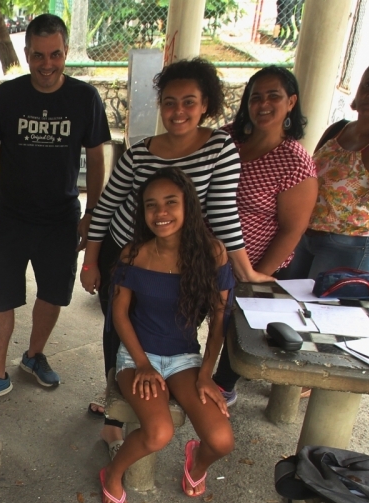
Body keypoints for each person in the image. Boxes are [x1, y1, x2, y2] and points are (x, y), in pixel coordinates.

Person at [81, 57, 268, 447]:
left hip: (186, 257)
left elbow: (222, 214)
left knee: (174, 326)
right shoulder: (139, 152)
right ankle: (116, 404)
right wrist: (92, 260)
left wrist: (244, 271)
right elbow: (107, 206)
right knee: (118, 329)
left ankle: (168, 381)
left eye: (188, 102)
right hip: (127, 251)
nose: (178, 111)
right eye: (169, 102)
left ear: (206, 106)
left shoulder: (220, 147)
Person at [0, 14, 111, 404]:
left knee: (53, 293)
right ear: (27, 53)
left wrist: (92, 213)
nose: (47, 64)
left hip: (62, 216)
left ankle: (34, 355)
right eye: (39, 55)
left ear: (66, 51)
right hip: (11, 214)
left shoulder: (84, 97)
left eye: (55, 55)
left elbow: (97, 156)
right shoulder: (8, 95)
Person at [99, 168, 235, 503]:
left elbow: (220, 317)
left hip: (184, 360)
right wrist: (142, 363)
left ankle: (196, 462)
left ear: (188, 206)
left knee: (221, 440)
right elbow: (120, 314)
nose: (160, 213)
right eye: (151, 205)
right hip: (136, 357)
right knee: (158, 432)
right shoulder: (134, 254)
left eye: (170, 203)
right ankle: (112, 473)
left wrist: (207, 373)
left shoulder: (213, 253)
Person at [211, 67, 317, 405]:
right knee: (191, 317)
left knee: (238, 331)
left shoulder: (294, 161)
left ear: (291, 103)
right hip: (206, 256)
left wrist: (259, 277)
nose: (263, 104)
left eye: (274, 96)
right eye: (256, 97)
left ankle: (223, 387)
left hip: (255, 263)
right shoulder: (227, 138)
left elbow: (292, 229)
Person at [285, 57, 369, 295]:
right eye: (368, 85)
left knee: (325, 321)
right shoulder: (339, 129)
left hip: (351, 246)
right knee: (287, 312)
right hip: (307, 239)